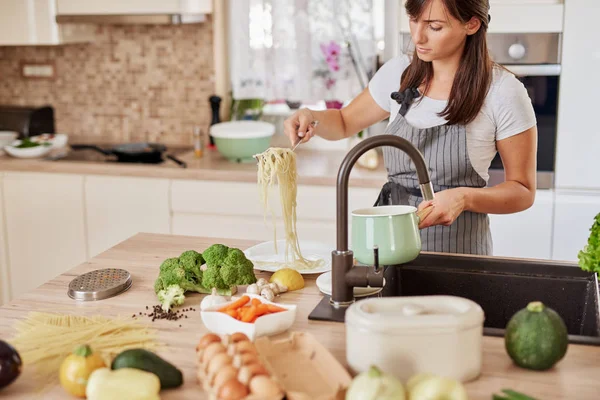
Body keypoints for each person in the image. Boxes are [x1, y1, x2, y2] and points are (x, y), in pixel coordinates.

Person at [283, 0, 537, 256]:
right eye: (414, 20)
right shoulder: (399, 72)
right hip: (389, 248)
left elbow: (522, 190)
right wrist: (311, 117)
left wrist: (464, 198)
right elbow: (343, 122)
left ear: (471, 24)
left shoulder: (502, 91)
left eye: (434, 27)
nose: (417, 37)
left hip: (459, 254)